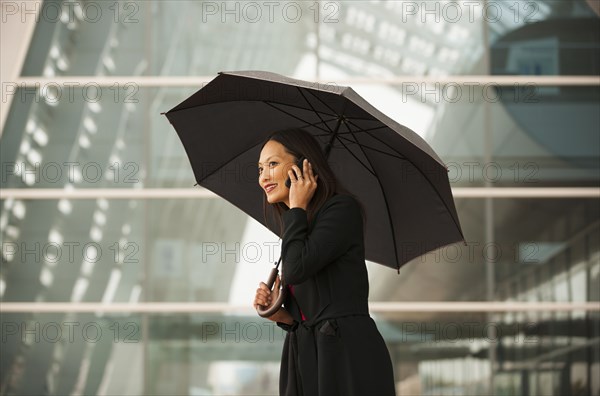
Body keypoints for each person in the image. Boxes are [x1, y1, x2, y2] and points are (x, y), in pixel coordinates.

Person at [253, 128, 397, 396]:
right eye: (260, 168)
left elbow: (296, 271)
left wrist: (296, 208)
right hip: (308, 354)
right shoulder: (299, 224)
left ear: (302, 167)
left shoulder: (341, 210)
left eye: (273, 164)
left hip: (346, 356)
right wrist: (280, 314)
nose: (263, 176)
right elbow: (309, 310)